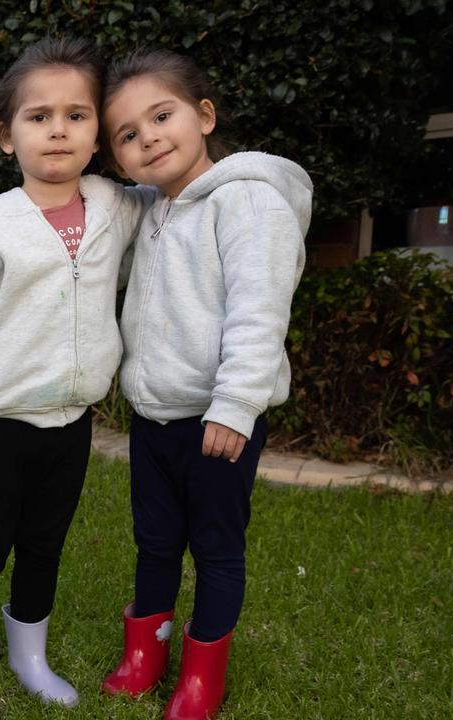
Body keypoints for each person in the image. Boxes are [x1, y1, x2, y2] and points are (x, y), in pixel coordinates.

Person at [0, 37, 155, 720]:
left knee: (44, 545)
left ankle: (30, 654)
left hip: (73, 420)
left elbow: (183, 193)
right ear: (7, 136)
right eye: (38, 117)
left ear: (99, 136)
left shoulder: (118, 206)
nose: (58, 129)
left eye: (77, 115)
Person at [98, 49, 311, 720]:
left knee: (215, 546)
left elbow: (258, 309)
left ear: (205, 116)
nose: (149, 138)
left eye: (162, 116)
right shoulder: (151, 209)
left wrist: (237, 404)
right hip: (154, 419)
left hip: (219, 421)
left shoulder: (249, 202)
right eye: (127, 135)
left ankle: (201, 677)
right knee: (155, 539)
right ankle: (146, 654)